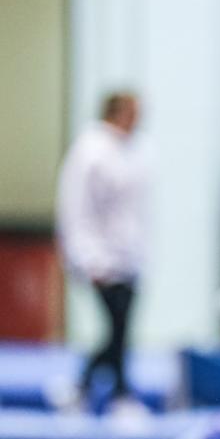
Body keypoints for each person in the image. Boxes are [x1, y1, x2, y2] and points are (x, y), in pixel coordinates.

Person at [55, 92, 148, 413]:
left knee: (120, 330)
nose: (140, 119)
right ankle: (117, 394)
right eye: (135, 111)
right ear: (118, 112)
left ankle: (81, 388)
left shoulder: (134, 150)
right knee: (117, 329)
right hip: (100, 257)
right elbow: (75, 208)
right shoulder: (90, 150)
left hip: (128, 256)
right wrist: (86, 257)